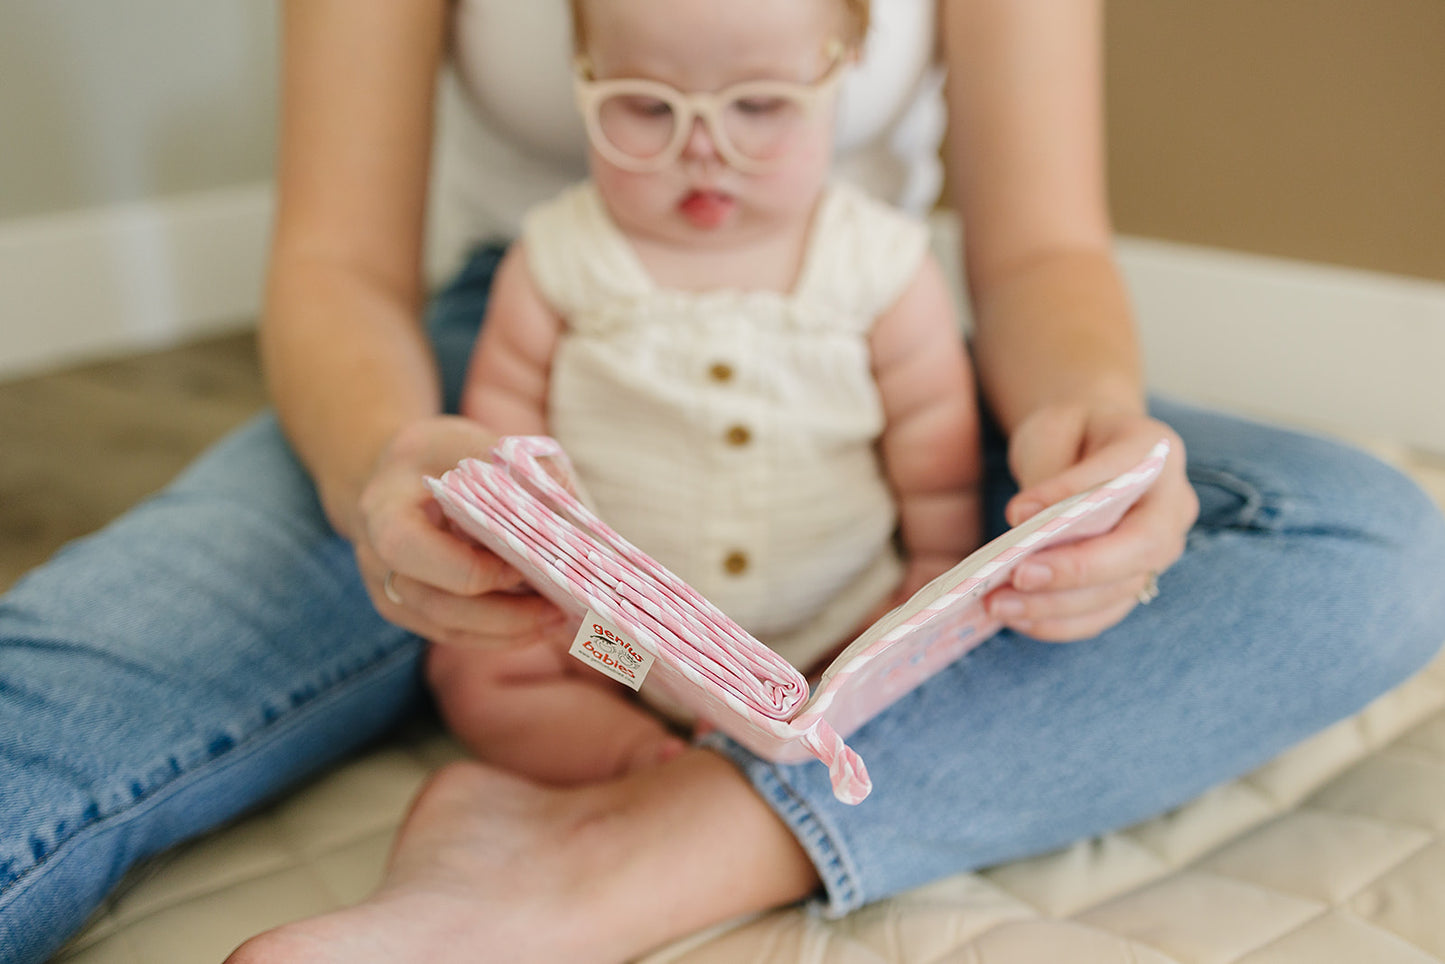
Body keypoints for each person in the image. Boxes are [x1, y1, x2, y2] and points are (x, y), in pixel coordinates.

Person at [0, 1, 1441, 963]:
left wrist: (1083, 429)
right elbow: (333, 264)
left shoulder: (869, 271)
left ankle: (622, 854)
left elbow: (1038, 252)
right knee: (69, 692)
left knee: (1366, 541)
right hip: (507, 384)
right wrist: (392, 466)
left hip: (871, 365)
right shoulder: (554, 279)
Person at [428, 0, 981, 785]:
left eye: (757, 107)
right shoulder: (559, 258)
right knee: (482, 674)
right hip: (610, 644)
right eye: (648, 108)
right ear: (584, 81)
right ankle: (640, 761)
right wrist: (532, 570)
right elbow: (504, 433)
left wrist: (931, 570)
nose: (701, 149)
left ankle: (780, 759)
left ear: (837, 79)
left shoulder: (877, 264)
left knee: (935, 691)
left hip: (833, 630)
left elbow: (934, 444)